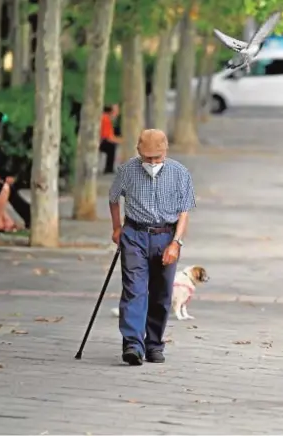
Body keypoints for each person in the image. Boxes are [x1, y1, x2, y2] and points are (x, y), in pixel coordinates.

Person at [109, 129, 196, 366]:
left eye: (157, 157)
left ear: (165, 151)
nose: (153, 162)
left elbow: (184, 211)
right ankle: (133, 344)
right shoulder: (127, 170)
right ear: (139, 152)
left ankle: (154, 344)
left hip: (166, 236)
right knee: (134, 290)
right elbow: (114, 198)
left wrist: (176, 243)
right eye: (148, 158)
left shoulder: (179, 173)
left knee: (161, 294)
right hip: (135, 234)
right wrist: (117, 228)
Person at [100, 104, 122, 174]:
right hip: (101, 141)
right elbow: (108, 137)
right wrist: (121, 141)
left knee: (112, 145)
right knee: (111, 146)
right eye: (116, 111)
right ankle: (109, 168)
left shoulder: (108, 119)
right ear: (111, 111)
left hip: (102, 140)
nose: (118, 113)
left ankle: (109, 168)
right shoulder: (106, 119)